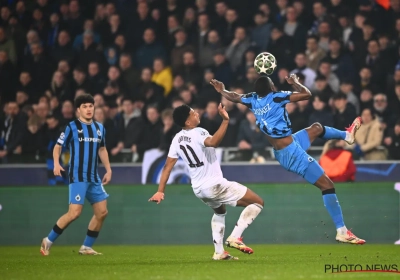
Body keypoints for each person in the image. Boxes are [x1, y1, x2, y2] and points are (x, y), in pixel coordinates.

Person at [209, 75, 365, 244]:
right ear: (271, 88)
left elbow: (235, 96)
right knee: (327, 185)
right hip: (292, 153)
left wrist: (222, 90)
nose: (275, 85)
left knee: (317, 128)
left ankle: (346, 135)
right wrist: (295, 83)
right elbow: (306, 94)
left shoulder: (252, 99)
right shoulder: (276, 97)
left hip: (289, 145)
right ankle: (342, 231)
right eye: (272, 83)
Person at [148, 103, 264, 260]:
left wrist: (160, 190)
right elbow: (213, 142)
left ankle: (219, 252)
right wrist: (225, 121)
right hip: (214, 184)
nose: (196, 113)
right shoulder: (198, 132)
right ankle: (235, 237)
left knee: (220, 211)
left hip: (199, 189)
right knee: (257, 202)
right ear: (188, 122)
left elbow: (167, 167)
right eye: (192, 113)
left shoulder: (177, 139)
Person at [40, 94, 112, 256]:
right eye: (85, 106)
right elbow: (58, 146)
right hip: (78, 175)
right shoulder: (71, 127)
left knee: (102, 212)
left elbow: (102, 149)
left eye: (91, 106)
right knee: (74, 213)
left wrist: (108, 169)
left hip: (94, 177)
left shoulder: (100, 128)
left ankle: (86, 247)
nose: (88, 109)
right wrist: (57, 163)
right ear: (78, 110)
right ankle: (48, 240)